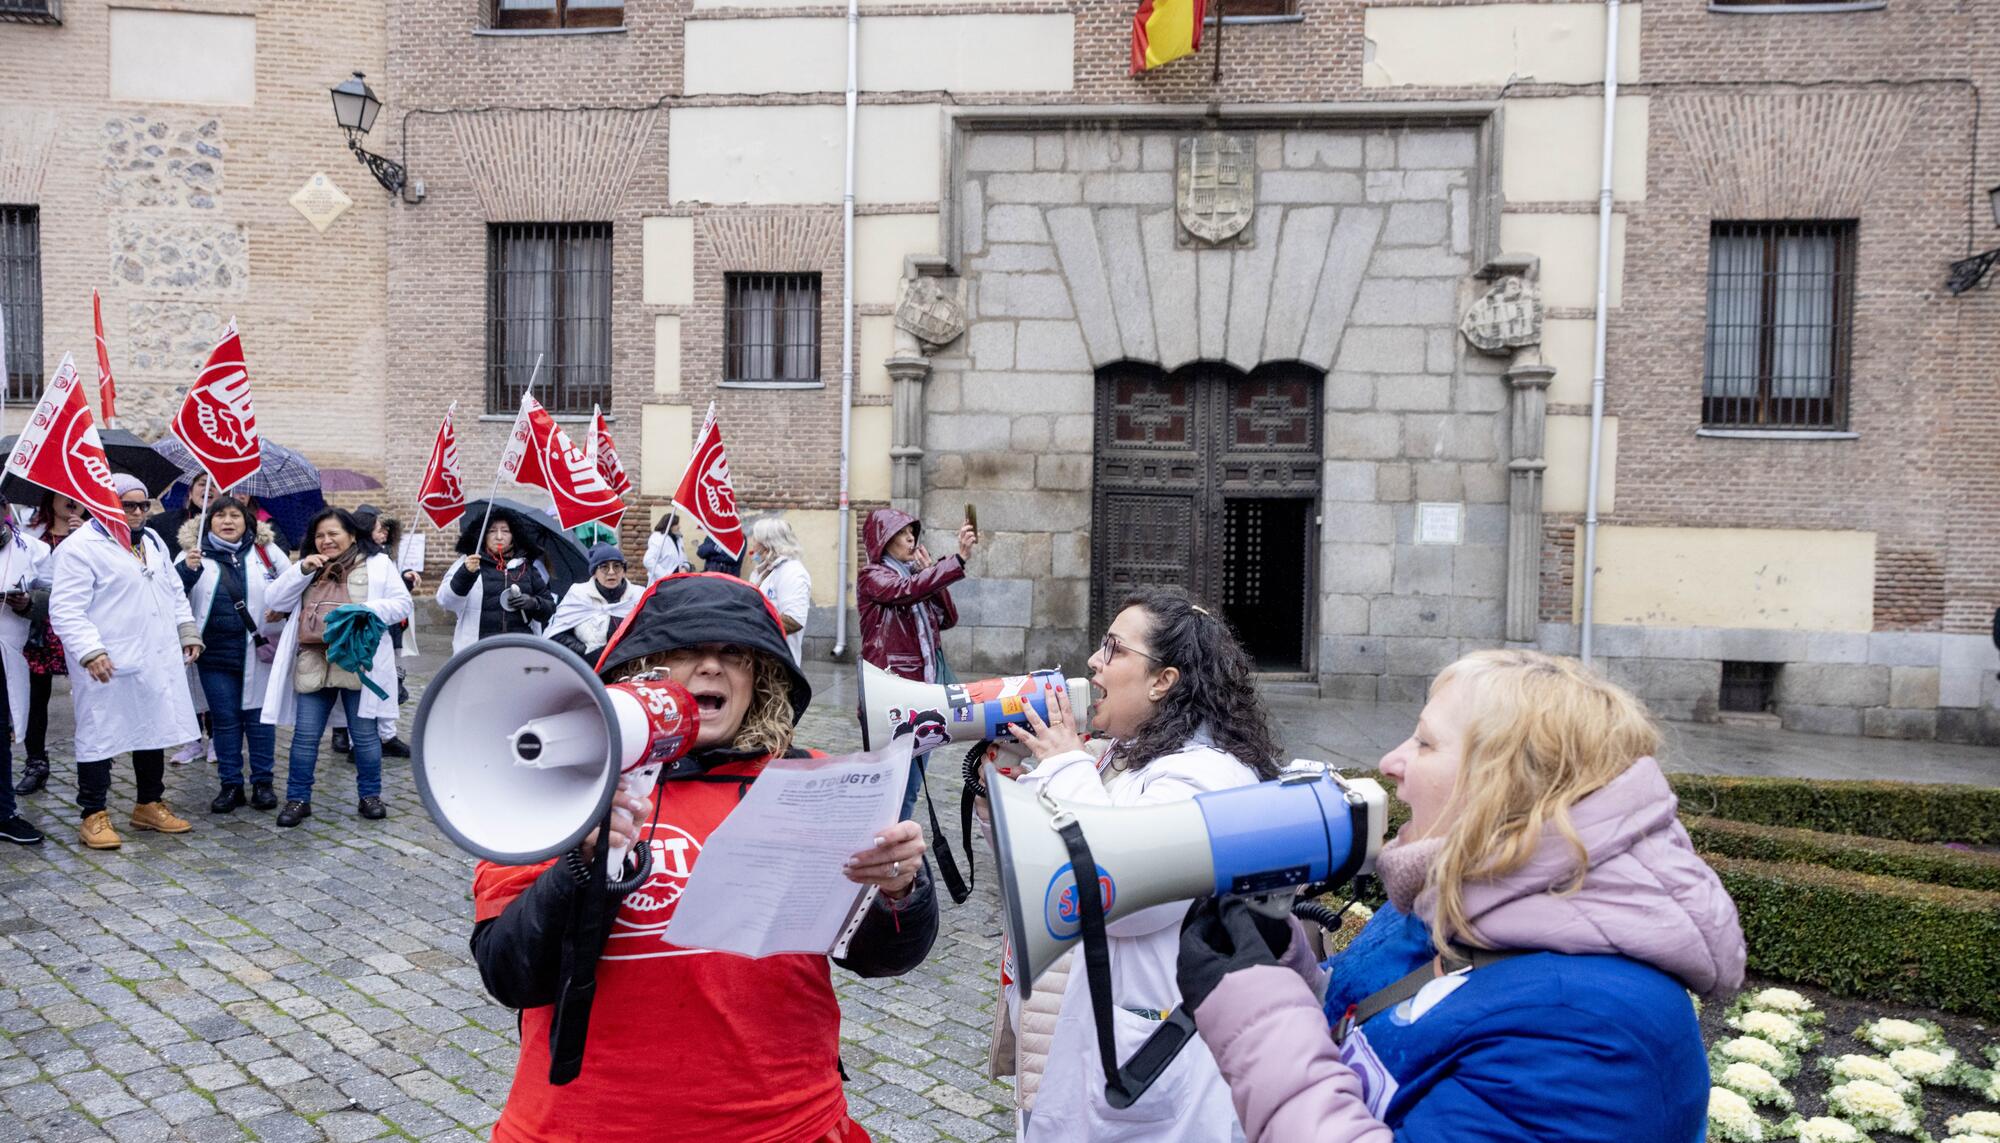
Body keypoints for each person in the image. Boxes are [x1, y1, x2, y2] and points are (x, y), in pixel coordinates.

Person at [1176, 649, 1746, 1143]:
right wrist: (1282, 964)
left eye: (1425, 743)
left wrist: (1257, 1014)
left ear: (1506, 789)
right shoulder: (1453, 902)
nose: (1390, 763)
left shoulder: (1593, 1034)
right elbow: (1378, 1032)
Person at [470, 572, 938, 1142]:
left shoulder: (815, 781)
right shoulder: (561, 787)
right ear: (638, 671)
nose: (711, 666)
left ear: (759, 678)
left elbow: (879, 958)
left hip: (783, 1124)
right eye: (686, 650)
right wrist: (582, 869)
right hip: (585, 1125)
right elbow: (511, 974)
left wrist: (899, 889)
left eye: (734, 654)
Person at [1001, 587, 1278, 1141]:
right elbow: (1042, 872)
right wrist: (1000, 798)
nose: (1093, 663)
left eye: (1114, 649)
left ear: (1163, 681)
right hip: (1094, 1023)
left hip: (1152, 1050)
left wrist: (1063, 767)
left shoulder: (1206, 777)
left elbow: (1118, 893)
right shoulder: (1124, 752)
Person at [48, 474, 203, 850]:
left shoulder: (151, 541)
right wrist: (91, 651)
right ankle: (93, 813)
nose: (136, 512)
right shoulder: (80, 547)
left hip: (154, 654)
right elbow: (66, 609)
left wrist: (186, 630)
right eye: (127, 505)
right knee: (100, 733)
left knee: (153, 728)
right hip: (108, 661)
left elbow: (172, 589)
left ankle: (148, 803)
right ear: (106, 504)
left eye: (142, 505)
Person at [260, 508, 413, 826]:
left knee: (366, 736)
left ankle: (370, 796)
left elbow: (402, 604)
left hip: (358, 662)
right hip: (314, 660)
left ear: (352, 535)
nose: (326, 540)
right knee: (305, 736)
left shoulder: (377, 564)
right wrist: (301, 569)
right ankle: (298, 799)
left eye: (333, 534)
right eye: (320, 535)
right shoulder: (308, 568)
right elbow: (274, 600)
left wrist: (362, 610)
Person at [858, 507, 977, 819]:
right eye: (902, 533)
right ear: (884, 540)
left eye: (913, 532)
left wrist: (933, 577)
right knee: (894, 785)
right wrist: (956, 560)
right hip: (893, 696)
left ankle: (894, 844)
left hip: (922, 694)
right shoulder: (873, 577)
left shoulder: (915, 578)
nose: (911, 537)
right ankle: (886, 845)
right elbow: (904, 592)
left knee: (910, 785)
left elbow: (948, 618)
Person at [175, 497, 290, 813]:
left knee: (259, 720)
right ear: (208, 521)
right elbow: (171, 595)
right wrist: (187, 571)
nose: (228, 521)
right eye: (220, 515)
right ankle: (230, 786)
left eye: (235, 515)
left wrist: (282, 609)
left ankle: (263, 783)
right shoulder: (192, 555)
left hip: (259, 650)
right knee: (225, 722)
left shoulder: (266, 553)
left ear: (246, 521)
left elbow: (293, 587)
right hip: (214, 656)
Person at [13, 491, 83, 797]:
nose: (70, 499)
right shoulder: (30, 537)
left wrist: (83, 539)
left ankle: (95, 763)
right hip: (38, 629)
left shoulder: (93, 535)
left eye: (76, 495)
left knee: (89, 699)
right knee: (35, 699)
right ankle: (36, 764)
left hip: (79, 629)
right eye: (63, 494)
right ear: (49, 498)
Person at [438, 509, 555, 654]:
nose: (499, 537)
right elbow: (447, 601)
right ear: (483, 534)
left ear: (513, 536)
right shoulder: (469, 562)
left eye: (505, 531)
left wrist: (534, 603)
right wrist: (466, 574)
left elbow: (549, 608)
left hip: (520, 650)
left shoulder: (527, 568)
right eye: (492, 531)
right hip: (479, 650)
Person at [0, 513, 51, 844]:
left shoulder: (33, 549)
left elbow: (52, 597)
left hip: (7, 652)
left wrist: (27, 602)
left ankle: (4, 813)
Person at [545, 544, 639, 664]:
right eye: (604, 567)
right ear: (594, 572)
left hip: (626, 669)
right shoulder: (578, 595)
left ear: (624, 571)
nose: (611, 572)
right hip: (588, 669)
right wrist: (586, 651)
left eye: (617, 566)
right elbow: (557, 636)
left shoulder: (637, 597)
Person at [748, 515, 811, 665]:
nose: (753, 546)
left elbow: (793, 620)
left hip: (778, 662)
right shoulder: (762, 571)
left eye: (756, 540)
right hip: (759, 656)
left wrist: (750, 626)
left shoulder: (792, 571)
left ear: (768, 544)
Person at [144, 471, 210, 560]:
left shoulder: (230, 528)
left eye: (215, 486)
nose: (208, 488)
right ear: (190, 493)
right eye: (202, 484)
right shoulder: (160, 523)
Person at [644, 513, 690, 582]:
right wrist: (665, 576)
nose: (679, 526)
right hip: (661, 583)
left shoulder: (678, 539)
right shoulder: (658, 538)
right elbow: (648, 561)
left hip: (677, 581)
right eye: (676, 524)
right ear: (670, 525)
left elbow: (684, 559)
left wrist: (685, 568)